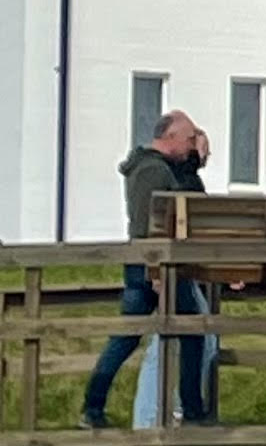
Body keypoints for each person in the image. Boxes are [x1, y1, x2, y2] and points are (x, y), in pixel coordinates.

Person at [82, 109, 218, 426]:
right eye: (188, 139)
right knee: (191, 332)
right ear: (169, 137)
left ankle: (93, 407)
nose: (192, 145)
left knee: (130, 335)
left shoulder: (159, 168)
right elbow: (147, 226)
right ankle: (193, 410)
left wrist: (194, 162)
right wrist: (155, 272)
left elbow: (191, 199)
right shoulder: (153, 172)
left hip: (152, 266)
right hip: (157, 267)